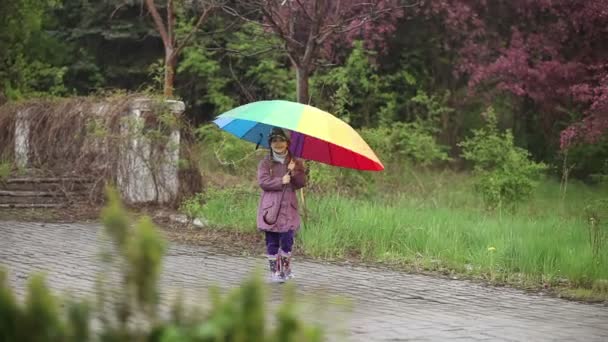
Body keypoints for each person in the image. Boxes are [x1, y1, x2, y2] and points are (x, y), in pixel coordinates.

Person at [257, 127, 307, 283]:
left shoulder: (295, 162)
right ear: (270, 143)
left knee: (287, 239)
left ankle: (285, 269)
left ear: (287, 143)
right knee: (271, 241)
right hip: (271, 208)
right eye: (274, 140)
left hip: (288, 207)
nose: (278, 143)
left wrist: (295, 172)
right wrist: (280, 181)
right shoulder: (265, 163)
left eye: (281, 140)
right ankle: (275, 272)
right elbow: (263, 182)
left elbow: (301, 183)